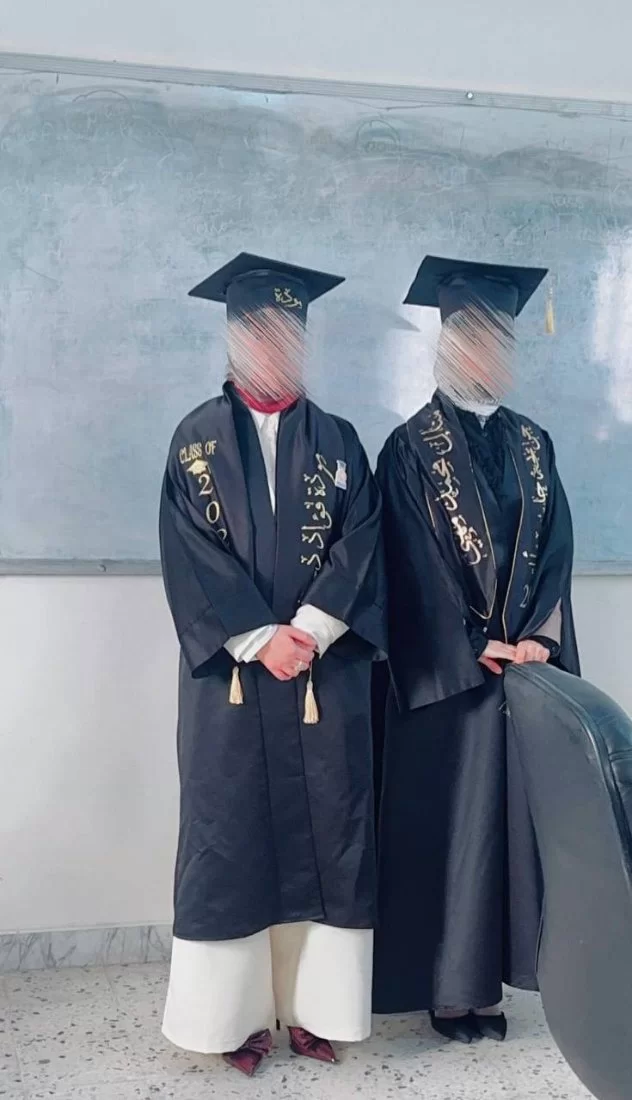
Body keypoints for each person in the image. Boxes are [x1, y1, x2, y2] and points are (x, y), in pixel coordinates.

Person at [159, 252, 386, 1076]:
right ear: (233, 338)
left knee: (332, 833)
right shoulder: (196, 442)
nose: (274, 344)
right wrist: (261, 637)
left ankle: (317, 1014)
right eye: (259, 330)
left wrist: (313, 631)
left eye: (289, 331)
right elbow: (190, 554)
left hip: (325, 675)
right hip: (235, 681)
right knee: (232, 838)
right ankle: (239, 1020)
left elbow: (363, 545)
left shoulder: (340, 442)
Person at [372, 256, 580, 1043]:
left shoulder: (534, 444)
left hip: (518, 677)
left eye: (501, 341)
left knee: (508, 832)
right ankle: (446, 993)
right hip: (449, 684)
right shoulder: (409, 449)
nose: (491, 354)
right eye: (476, 340)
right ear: (448, 349)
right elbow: (406, 565)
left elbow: (556, 552)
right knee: (453, 832)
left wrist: (539, 640)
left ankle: (490, 991)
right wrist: (471, 643)